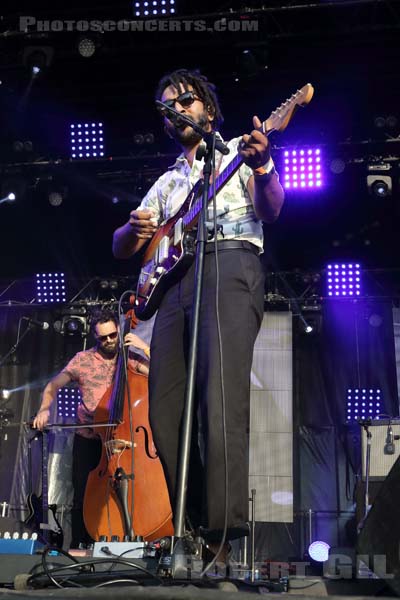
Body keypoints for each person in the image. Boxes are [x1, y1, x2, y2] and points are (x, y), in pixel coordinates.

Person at [112, 69, 285, 565]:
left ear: (207, 109)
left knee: (220, 397)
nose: (178, 108)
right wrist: (131, 227)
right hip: (175, 287)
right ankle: (185, 525)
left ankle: (221, 535)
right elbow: (125, 248)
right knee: (165, 411)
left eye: (185, 100)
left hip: (232, 262)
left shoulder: (237, 153)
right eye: (168, 105)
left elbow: (271, 210)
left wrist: (267, 165)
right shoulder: (167, 182)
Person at [32, 308, 150, 548]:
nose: (108, 342)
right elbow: (53, 385)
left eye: (112, 336)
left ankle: (119, 543)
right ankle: (79, 546)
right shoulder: (83, 359)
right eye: (102, 338)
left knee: (122, 494)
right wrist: (44, 409)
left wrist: (144, 347)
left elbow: (162, 376)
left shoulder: (129, 358)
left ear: (119, 330)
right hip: (87, 437)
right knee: (83, 495)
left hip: (118, 440)